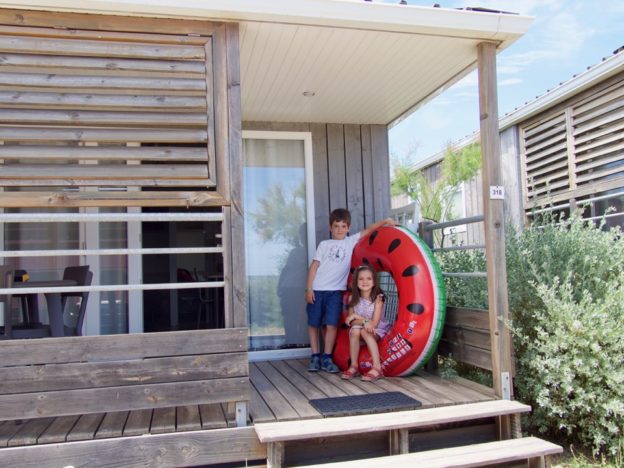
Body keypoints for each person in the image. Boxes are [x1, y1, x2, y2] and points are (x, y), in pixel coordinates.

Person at [305, 208, 395, 372]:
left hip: (335, 292)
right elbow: (314, 267)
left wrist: (385, 222)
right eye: (336, 226)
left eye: (343, 226)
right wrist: (309, 288)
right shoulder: (324, 245)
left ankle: (326, 357)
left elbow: (368, 230)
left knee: (331, 325)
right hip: (317, 289)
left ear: (348, 227)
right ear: (330, 227)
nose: (339, 229)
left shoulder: (350, 241)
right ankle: (315, 356)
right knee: (314, 324)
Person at [341, 265, 390, 381]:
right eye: (361, 279)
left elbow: (374, 324)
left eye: (369, 278)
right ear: (356, 282)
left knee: (363, 330)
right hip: (360, 330)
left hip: (376, 330)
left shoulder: (378, 298)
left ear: (374, 282)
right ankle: (354, 366)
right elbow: (351, 323)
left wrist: (356, 317)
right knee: (355, 330)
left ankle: (377, 368)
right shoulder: (352, 298)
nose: (365, 281)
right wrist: (363, 321)